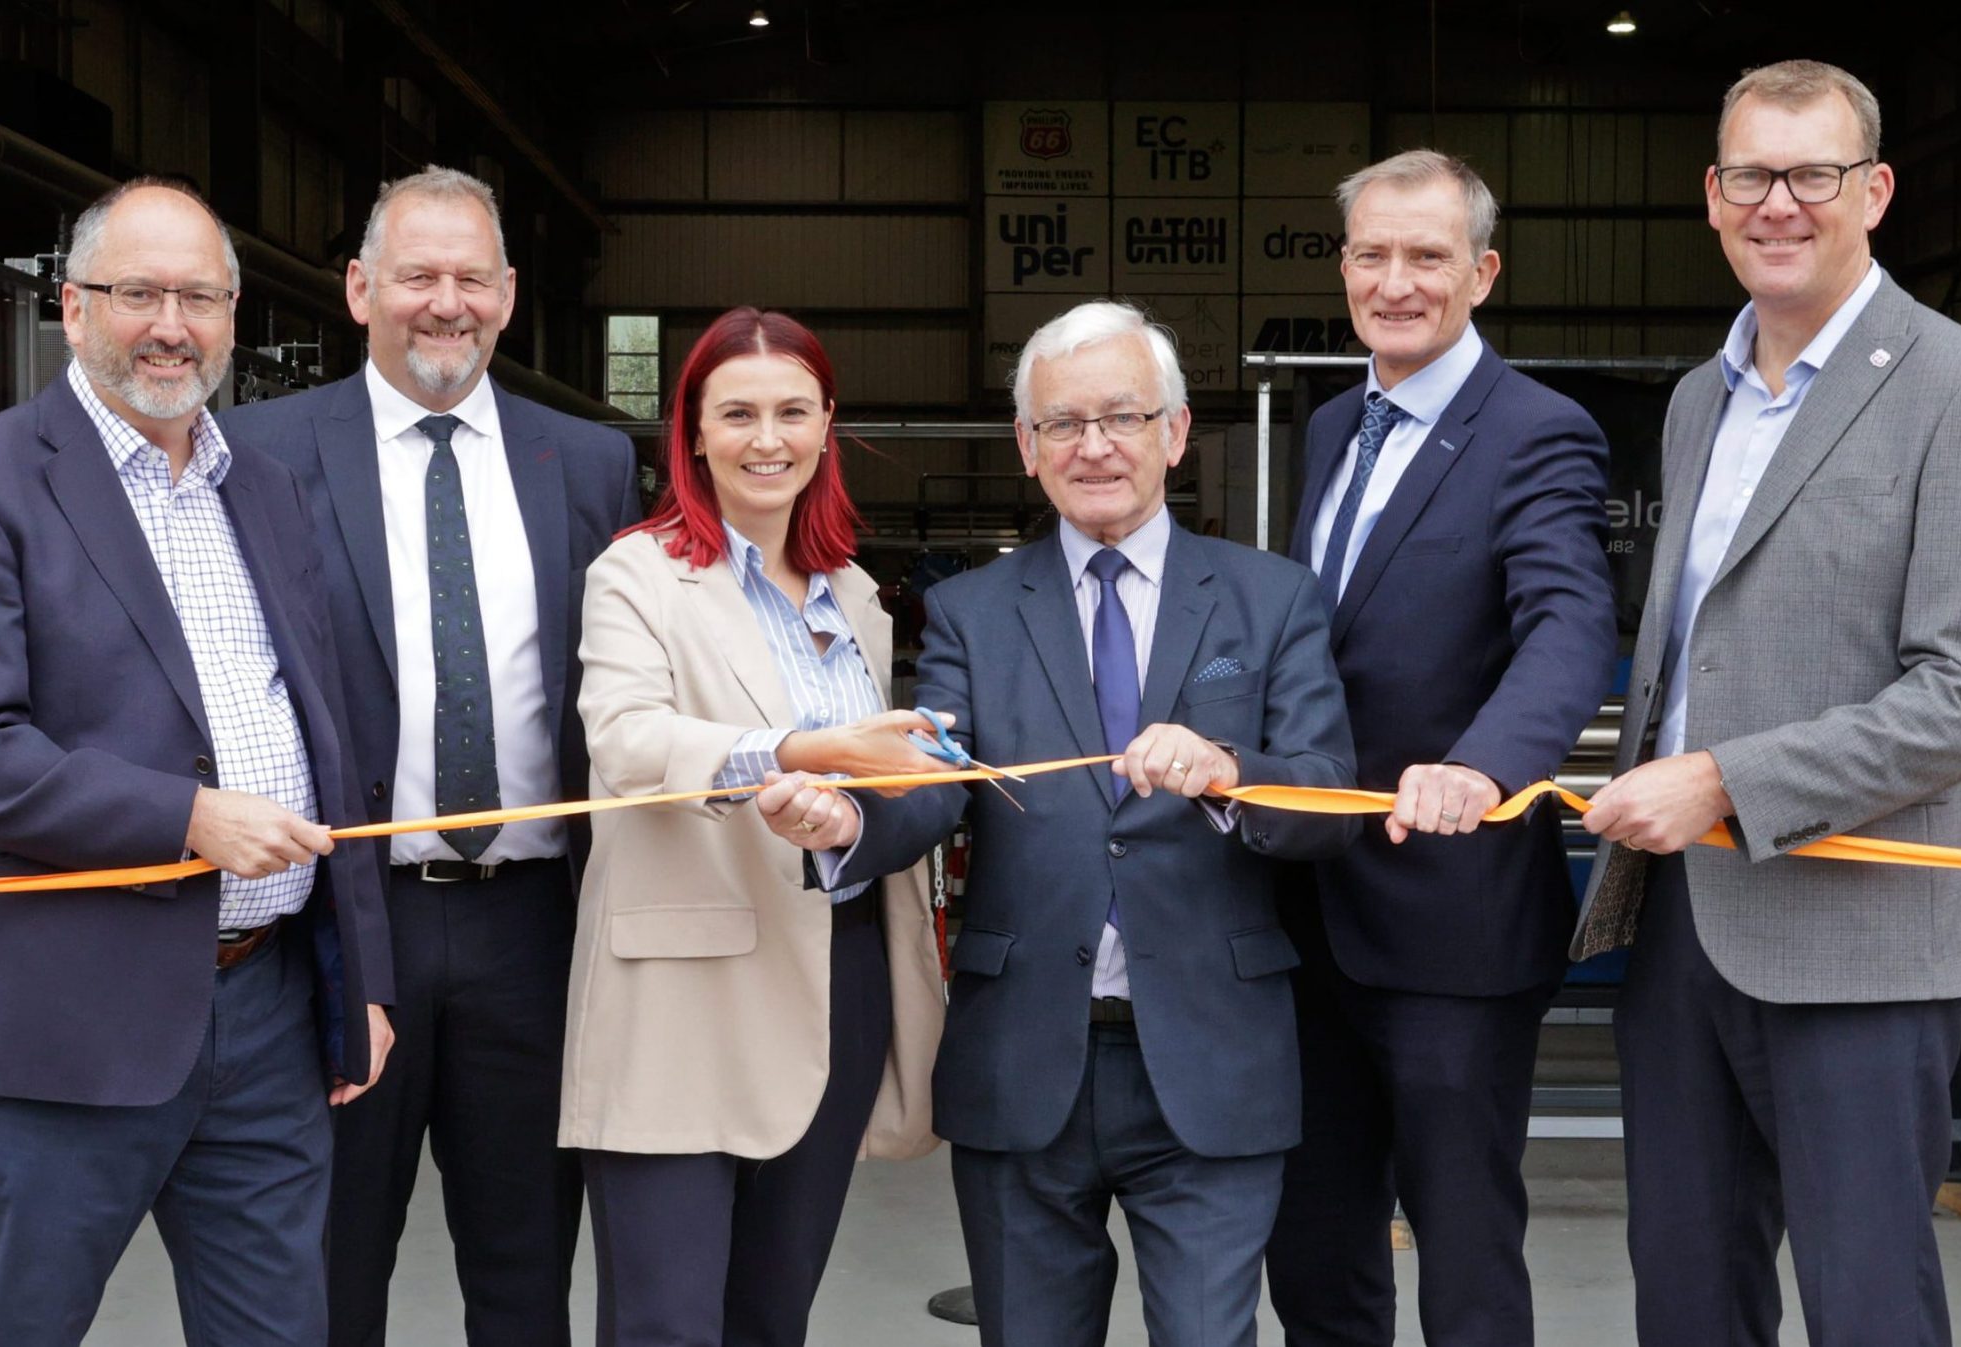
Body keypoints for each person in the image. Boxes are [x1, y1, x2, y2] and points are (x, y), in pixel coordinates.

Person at [1571, 59, 1961, 1347]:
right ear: (1712, 196)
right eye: (1750, 176)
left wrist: (1725, 779)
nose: (1777, 204)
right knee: (1684, 1298)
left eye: (1813, 175)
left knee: (1865, 1307)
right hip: (1684, 928)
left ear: (1875, 191)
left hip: (1862, 940)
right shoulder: (1696, 399)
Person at [0, 177, 393, 1346]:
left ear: (232, 311)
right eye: (139, 293)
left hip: (266, 1012)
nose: (173, 324)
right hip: (69, 1015)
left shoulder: (263, 489)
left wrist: (358, 978)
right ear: (72, 308)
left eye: (200, 297)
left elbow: (327, 732)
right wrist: (188, 817)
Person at [849, 300, 1359, 1346]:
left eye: (1122, 417)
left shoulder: (1271, 600)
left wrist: (1226, 773)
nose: (1095, 447)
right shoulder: (972, 614)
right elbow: (935, 784)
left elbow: (1325, 800)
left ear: (1174, 433)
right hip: (1024, 1053)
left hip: (1214, 1059)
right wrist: (844, 826)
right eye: (1064, 424)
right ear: (1027, 449)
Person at [217, 165, 638, 1346]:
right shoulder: (259, 452)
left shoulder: (588, 463)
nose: (443, 302)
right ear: (359, 290)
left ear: (506, 295)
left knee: (526, 1273)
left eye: (469, 277)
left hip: (534, 926)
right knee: (328, 1270)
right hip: (349, 923)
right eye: (416, 276)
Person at [1265, 150, 1618, 1347]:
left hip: (1449, 921)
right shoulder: (1329, 428)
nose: (1396, 282)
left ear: (1482, 272)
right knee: (1314, 1246)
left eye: (1427, 256)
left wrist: (1488, 762)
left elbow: (1569, 624)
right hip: (1306, 912)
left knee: (1463, 1251)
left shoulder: (1536, 432)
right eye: (1373, 253)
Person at [561, 306, 949, 1347]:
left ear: (828, 424)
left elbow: (878, 780)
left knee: (771, 1319)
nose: (765, 438)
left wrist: (908, 766)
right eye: (737, 413)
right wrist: (803, 752)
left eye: (791, 411)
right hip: (682, 987)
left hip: (837, 975)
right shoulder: (636, 574)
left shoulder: (854, 594)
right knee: (667, 1325)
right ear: (690, 431)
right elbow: (627, 742)